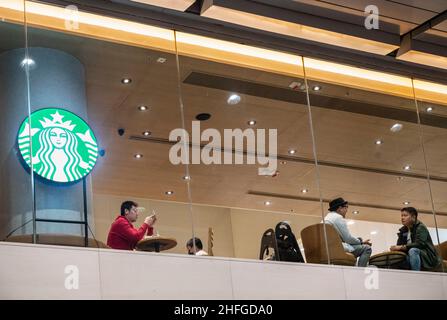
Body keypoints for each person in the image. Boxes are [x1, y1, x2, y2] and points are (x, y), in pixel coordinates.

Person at [324, 197, 372, 267]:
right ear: (340, 208)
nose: (347, 210)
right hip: (337, 249)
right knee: (367, 248)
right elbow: (348, 239)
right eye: (346, 207)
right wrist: (360, 242)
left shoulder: (326, 218)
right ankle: (361, 272)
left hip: (327, 250)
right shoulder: (337, 217)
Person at [390, 207, 441, 271]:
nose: (402, 218)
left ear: (413, 217)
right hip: (410, 255)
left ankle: (416, 275)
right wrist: (394, 249)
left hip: (427, 256)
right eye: (401, 216)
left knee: (413, 250)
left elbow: (420, 244)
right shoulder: (403, 230)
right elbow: (399, 245)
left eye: (405, 215)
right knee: (392, 255)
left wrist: (402, 247)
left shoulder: (420, 227)